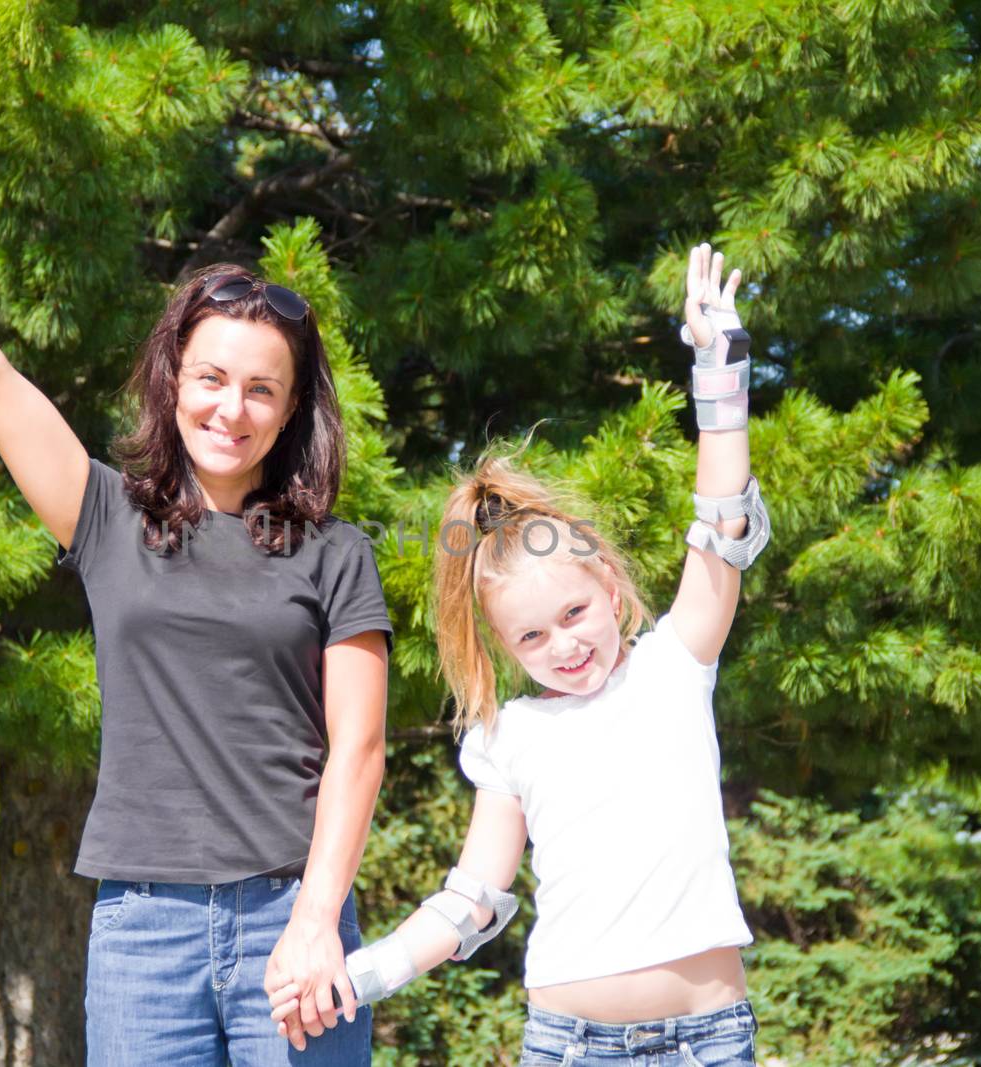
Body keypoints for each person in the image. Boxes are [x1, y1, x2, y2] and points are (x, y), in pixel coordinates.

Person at [0, 105, 392, 1066]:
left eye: (261, 389)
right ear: (174, 381)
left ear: (290, 413)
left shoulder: (334, 552)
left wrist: (317, 920)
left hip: (294, 914)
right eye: (211, 377)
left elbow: (359, 753)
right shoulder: (109, 518)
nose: (231, 407)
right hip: (144, 933)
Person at [268, 244, 768, 1065]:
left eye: (574, 613)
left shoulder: (676, 664)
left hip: (709, 1039)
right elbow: (473, 899)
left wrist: (720, 375)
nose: (564, 645)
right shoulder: (511, 736)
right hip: (567, 1045)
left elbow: (720, 525)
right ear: (502, 645)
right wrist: (363, 974)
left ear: (610, 588)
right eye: (531, 636)